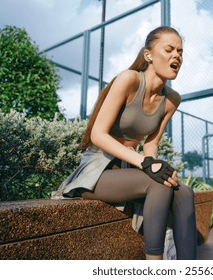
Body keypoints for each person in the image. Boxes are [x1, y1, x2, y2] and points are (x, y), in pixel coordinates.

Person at [52, 26, 197, 260]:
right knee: (158, 184)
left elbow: (151, 144)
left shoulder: (172, 99)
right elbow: (98, 134)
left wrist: (158, 167)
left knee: (184, 192)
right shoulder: (129, 79)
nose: (177, 56)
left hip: (129, 168)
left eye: (180, 51)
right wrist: (146, 164)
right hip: (98, 169)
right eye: (169, 49)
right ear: (148, 55)